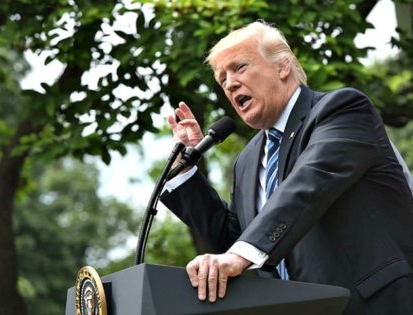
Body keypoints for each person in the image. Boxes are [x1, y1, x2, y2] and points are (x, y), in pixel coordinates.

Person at [160, 21, 413, 315]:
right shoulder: (247, 160)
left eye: (239, 68)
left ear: (282, 67)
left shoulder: (341, 110)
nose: (229, 84)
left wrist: (238, 255)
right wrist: (185, 170)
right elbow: (236, 242)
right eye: (222, 78)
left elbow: (308, 186)